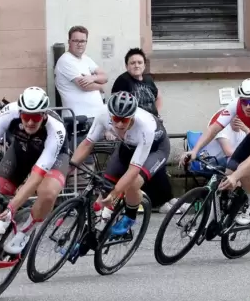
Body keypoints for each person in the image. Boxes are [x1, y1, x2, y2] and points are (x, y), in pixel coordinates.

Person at [0, 86, 70, 255]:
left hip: (54, 157)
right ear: (20, 112)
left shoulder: (55, 129)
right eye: (26, 116)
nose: (30, 122)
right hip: (22, 150)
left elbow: (36, 177)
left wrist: (12, 207)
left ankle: (26, 232)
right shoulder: (9, 112)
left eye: (35, 117)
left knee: (48, 193)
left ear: (44, 115)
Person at [69, 91, 170, 254]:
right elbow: (87, 144)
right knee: (105, 187)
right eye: (116, 119)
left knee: (132, 183)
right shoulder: (103, 115)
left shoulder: (145, 127)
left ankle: (130, 216)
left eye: (125, 120)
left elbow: (133, 170)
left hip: (155, 150)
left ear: (133, 117)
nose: (120, 124)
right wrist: (71, 166)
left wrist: (116, 192)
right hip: (127, 145)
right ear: (110, 115)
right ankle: (91, 235)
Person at [181, 78, 250, 225]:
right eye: (244, 101)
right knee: (229, 170)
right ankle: (226, 208)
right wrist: (194, 151)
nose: (247, 106)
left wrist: (236, 176)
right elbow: (214, 128)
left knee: (244, 171)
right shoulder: (236, 105)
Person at [111, 47, 181, 213]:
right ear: (127, 65)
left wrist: (157, 115)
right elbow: (116, 106)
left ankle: (168, 199)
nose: (136, 65)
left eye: (139, 62)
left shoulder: (148, 80)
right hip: (135, 133)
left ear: (144, 65)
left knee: (158, 164)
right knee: (142, 168)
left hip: (155, 131)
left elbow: (158, 96)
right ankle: (158, 201)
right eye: (132, 63)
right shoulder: (123, 81)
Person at [54, 25, 108, 144]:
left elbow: (105, 76)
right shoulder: (65, 60)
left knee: (97, 158)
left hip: (95, 118)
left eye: (83, 41)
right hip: (79, 121)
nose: (80, 44)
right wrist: (99, 86)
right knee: (83, 160)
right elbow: (84, 86)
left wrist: (91, 77)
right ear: (69, 42)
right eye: (76, 40)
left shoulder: (85, 59)